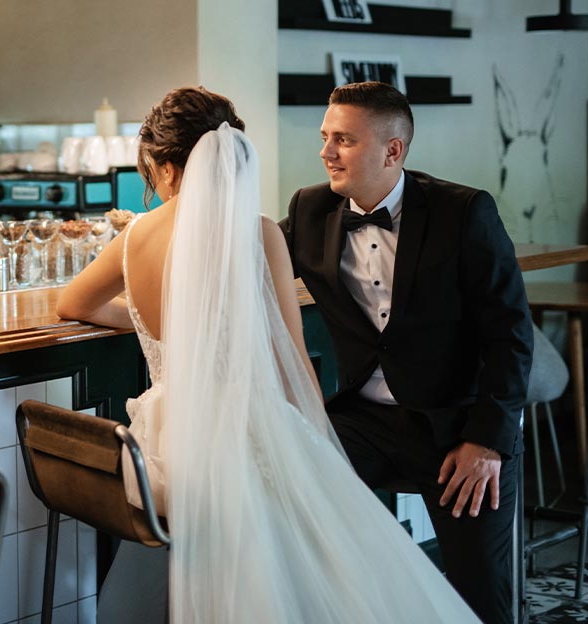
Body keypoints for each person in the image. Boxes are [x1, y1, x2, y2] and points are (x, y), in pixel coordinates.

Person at [57, 86, 481, 623]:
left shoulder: (135, 235)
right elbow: (292, 357)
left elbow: (72, 304)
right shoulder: (257, 233)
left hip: (168, 441)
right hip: (245, 426)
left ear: (165, 167)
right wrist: (316, 446)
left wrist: (146, 320)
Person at [280, 81, 533, 624]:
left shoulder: (464, 211)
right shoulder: (308, 210)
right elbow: (244, 260)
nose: (325, 152)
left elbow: (510, 334)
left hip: (458, 425)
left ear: (392, 151)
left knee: (481, 593)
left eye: (342, 140)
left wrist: (486, 441)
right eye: (325, 137)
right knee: (281, 519)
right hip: (361, 422)